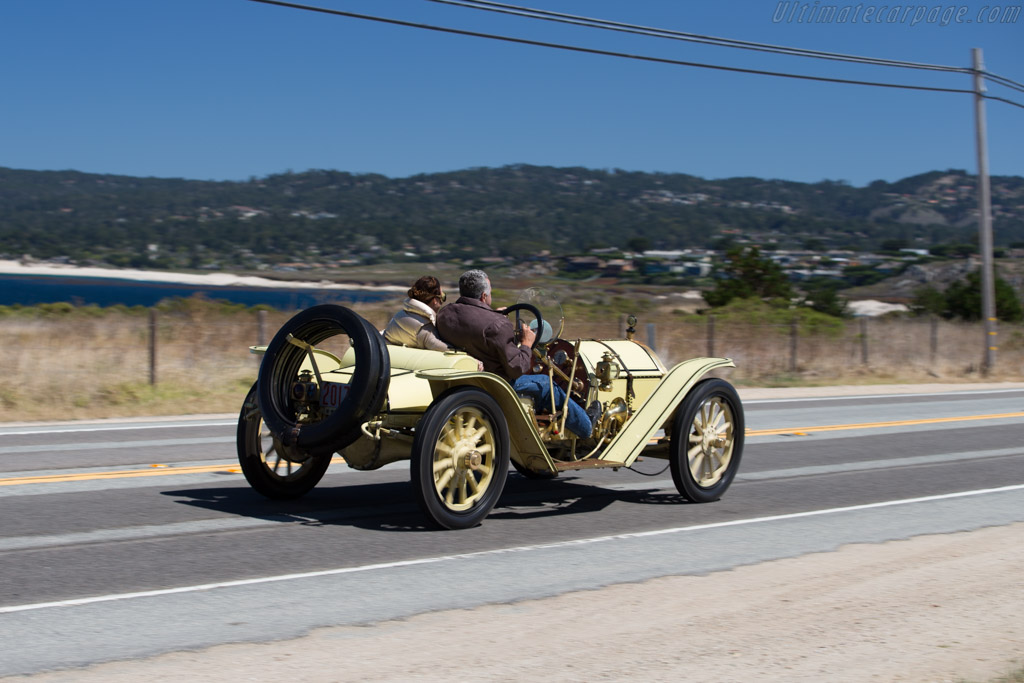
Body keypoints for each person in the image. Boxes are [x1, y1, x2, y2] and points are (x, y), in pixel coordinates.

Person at [436, 269, 596, 439]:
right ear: (484, 296)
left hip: (462, 379)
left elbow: (473, 326)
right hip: (496, 383)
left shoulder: (446, 313)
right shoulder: (497, 325)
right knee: (548, 385)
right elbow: (517, 368)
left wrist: (494, 315)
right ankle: (586, 426)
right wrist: (526, 343)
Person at [382, 275, 449, 352]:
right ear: (435, 300)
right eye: (443, 297)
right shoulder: (424, 328)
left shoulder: (398, 315)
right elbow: (447, 350)